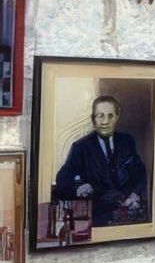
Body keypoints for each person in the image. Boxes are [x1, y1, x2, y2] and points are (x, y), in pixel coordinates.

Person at [51, 95, 147, 226]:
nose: (105, 121)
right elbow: (62, 181)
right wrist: (79, 188)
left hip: (126, 215)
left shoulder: (127, 141)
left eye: (110, 116)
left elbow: (140, 174)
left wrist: (135, 194)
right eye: (100, 116)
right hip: (98, 218)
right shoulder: (81, 147)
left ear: (117, 117)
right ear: (93, 119)